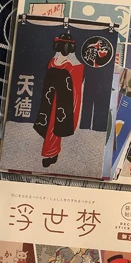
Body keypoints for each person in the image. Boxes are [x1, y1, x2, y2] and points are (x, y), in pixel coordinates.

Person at [33, 30, 84, 168]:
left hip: (62, 101)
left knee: (54, 128)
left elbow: (75, 87)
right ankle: (51, 153)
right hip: (49, 100)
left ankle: (51, 154)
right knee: (48, 126)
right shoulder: (53, 61)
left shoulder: (73, 66)